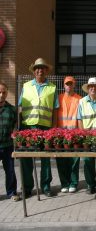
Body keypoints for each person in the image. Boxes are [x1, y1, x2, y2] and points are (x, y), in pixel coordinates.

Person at [19, 58, 59, 198]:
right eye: (37, 68)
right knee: (26, 158)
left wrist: (53, 128)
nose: (40, 70)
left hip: (46, 128)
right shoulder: (26, 86)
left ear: (46, 70)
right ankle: (28, 188)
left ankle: (46, 187)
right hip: (27, 127)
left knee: (46, 158)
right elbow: (20, 107)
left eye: (42, 68)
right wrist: (18, 128)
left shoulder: (52, 87)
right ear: (34, 71)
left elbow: (55, 110)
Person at [56, 76, 81, 193]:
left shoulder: (79, 99)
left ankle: (73, 183)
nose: (69, 86)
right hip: (60, 133)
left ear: (74, 85)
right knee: (61, 159)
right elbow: (55, 114)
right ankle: (64, 183)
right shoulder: (59, 98)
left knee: (74, 159)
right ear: (64, 85)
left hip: (74, 133)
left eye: (71, 84)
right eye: (67, 84)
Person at [0, 82, 19, 201]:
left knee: (10, 170)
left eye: (4, 92)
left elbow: (15, 126)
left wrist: (15, 133)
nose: (1, 95)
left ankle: (11, 192)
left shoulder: (12, 109)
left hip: (7, 146)